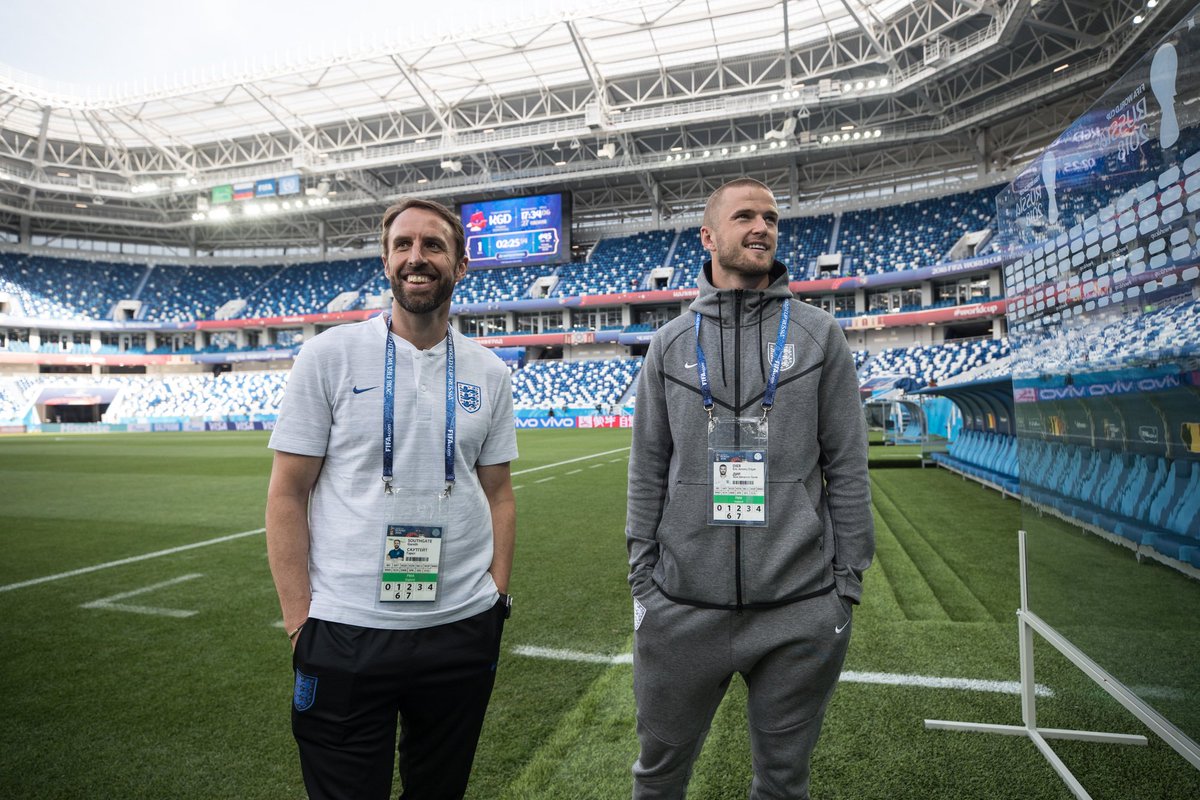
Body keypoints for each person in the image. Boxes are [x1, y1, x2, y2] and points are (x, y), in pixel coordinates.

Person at [625, 177, 873, 799]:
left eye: (770, 217)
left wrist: (844, 587)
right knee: (658, 777)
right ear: (709, 237)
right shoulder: (670, 344)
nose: (762, 227)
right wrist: (644, 581)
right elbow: (648, 468)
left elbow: (846, 465)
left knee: (784, 783)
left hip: (799, 605)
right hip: (681, 607)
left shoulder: (819, 335)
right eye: (744, 216)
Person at [266, 196, 517, 800]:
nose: (416, 257)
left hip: (460, 626)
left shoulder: (489, 371)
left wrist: (497, 600)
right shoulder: (328, 354)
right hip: (346, 629)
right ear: (386, 262)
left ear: (459, 266)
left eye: (433, 245)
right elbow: (286, 493)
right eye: (403, 245)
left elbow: (500, 494)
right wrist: (301, 623)